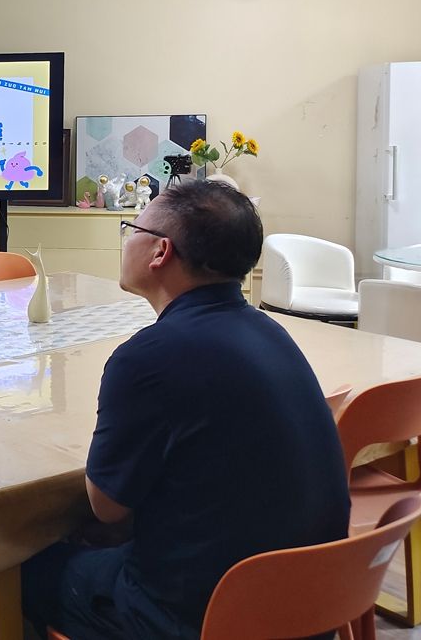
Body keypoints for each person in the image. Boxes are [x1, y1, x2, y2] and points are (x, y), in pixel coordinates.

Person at [21, 180, 350, 639]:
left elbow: (107, 508)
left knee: (25, 571)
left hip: (208, 617)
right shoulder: (269, 331)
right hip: (311, 603)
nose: (125, 239)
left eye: (130, 228)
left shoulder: (148, 358)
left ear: (160, 251)